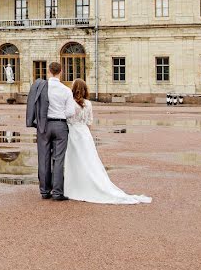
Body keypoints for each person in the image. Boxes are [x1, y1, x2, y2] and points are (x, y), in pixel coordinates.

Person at [64, 78, 151, 204]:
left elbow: (67, 118)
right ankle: (87, 183)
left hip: (73, 133)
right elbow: (89, 122)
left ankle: (75, 185)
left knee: (74, 160)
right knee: (88, 160)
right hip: (84, 134)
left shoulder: (71, 103)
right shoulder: (88, 104)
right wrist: (86, 133)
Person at [25, 61, 76, 200]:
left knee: (43, 158)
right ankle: (58, 192)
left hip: (44, 125)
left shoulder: (41, 87)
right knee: (58, 159)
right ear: (61, 72)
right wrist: (60, 115)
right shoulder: (66, 90)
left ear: (49, 71)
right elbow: (71, 112)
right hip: (60, 125)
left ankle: (45, 190)